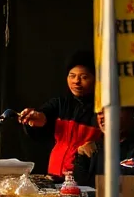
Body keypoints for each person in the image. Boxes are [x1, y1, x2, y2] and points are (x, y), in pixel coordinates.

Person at [20, 51, 99, 180]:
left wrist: (97, 145)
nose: (76, 81)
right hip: (54, 174)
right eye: (72, 76)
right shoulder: (61, 103)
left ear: (97, 78)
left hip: (85, 178)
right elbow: (43, 116)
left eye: (84, 77)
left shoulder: (102, 108)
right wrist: (37, 120)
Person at [74, 106, 134, 197]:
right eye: (99, 113)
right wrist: (81, 158)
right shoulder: (94, 149)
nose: (102, 117)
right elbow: (80, 188)